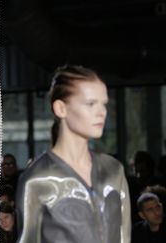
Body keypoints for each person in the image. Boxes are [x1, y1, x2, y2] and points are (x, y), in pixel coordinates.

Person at [15, 65, 131, 243]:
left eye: (104, 103)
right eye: (91, 103)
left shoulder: (114, 171)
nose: (102, 112)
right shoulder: (37, 179)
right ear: (61, 108)